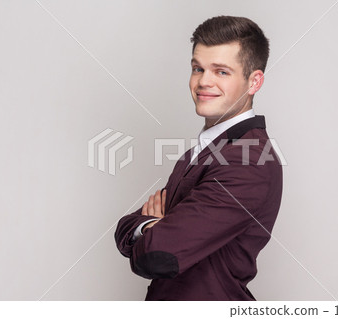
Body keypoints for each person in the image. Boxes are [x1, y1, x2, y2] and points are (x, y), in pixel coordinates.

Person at [115, 15, 283, 301]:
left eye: (221, 72)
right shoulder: (205, 151)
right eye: (198, 68)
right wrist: (149, 227)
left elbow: (158, 256)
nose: (203, 81)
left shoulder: (249, 160)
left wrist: (153, 229)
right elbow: (125, 227)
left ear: (254, 81)